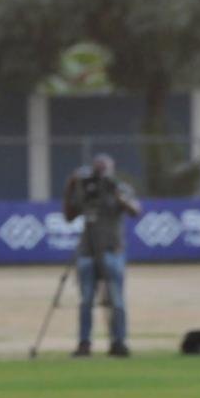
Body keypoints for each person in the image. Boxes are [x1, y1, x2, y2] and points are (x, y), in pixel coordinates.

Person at [62, 153, 141, 357]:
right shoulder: (86, 190)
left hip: (111, 250)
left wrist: (116, 193)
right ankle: (84, 343)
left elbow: (135, 211)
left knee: (116, 299)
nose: (100, 175)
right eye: (97, 170)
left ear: (112, 170)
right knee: (86, 299)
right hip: (87, 251)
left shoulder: (120, 188)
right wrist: (70, 188)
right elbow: (69, 216)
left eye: (104, 169)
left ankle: (119, 342)